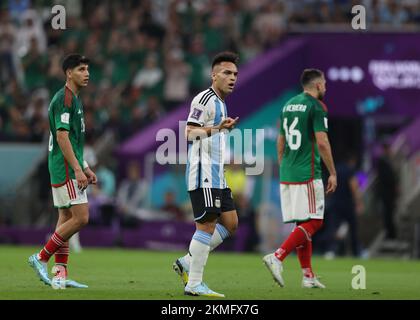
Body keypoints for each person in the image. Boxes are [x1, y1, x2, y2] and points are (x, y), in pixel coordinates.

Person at [172, 52, 240, 297]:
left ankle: (187, 263)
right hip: (203, 173)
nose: (232, 78)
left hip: (217, 175)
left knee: (231, 224)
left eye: (234, 74)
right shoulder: (205, 99)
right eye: (226, 73)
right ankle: (194, 284)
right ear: (213, 75)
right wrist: (217, 128)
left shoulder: (221, 102)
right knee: (207, 225)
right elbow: (189, 132)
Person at [263, 68, 337, 289]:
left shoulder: (288, 105)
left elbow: (280, 139)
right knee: (315, 221)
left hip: (288, 171)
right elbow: (322, 143)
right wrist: (332, 172)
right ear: (316, 85)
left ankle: (308, 275)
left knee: (303, 223)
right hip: (307, 173)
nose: (325, 86)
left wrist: (284, 165)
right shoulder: (316, 107)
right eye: (324, 83)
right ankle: (277, 256)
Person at [28, 54, 96, 289]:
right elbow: (62, 136)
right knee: (81, 218)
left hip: (64, 166)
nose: (86, 73)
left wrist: (86, 167)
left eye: (87, 69)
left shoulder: (73, 99)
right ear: (69, 73)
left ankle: (59, 275)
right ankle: (40, 257)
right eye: (81, 69)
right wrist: (77, 169)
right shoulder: (65, 99)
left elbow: (73, 142)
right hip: (65, 168)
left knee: (66, 219)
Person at [323, 153, 364, 258]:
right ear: (352, 161)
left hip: (335, 203)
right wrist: (359, 202)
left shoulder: (335, 170)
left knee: (333, 227)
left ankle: (330, 250)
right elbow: (353, 187)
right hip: (348, 204)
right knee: (353, 228)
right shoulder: (350, 171)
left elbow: (329, 186)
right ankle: (356, 252)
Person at [375, 142, 398, 240]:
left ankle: (391, 234)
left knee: (390, 213)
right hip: (386, 193)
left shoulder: (387, 161)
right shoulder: (382, 162)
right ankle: (390, 234)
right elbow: (387, 178)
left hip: (389, 193)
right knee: (387, 214)